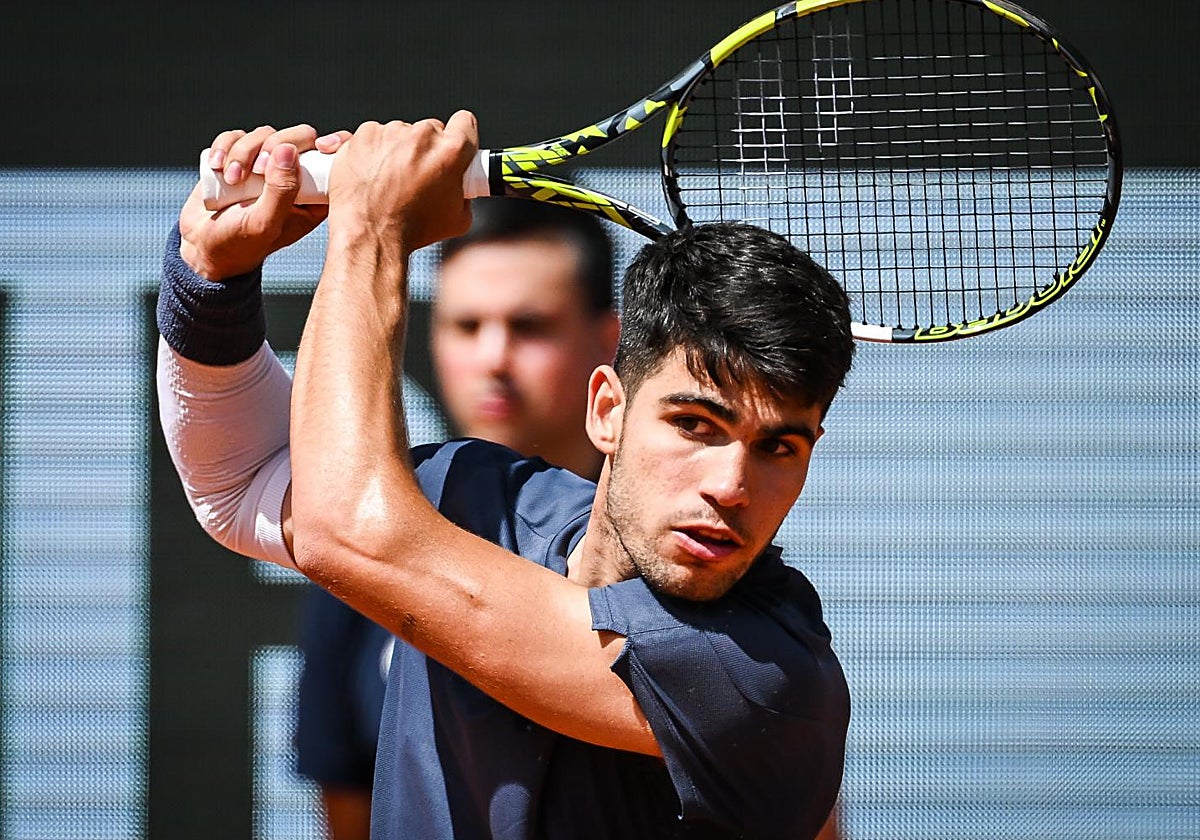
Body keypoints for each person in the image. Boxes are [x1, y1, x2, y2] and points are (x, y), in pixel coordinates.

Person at [156, 117, 855, 838]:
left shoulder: (771, 679)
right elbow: (246, 481)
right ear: (608, 409)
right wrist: (211, 282)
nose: (731, 485)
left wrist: (371, 229)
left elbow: (343, 527)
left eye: (778, 447)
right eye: (694, 425)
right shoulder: (472, 497)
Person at [294, 198, 620, 839]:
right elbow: (351, 808)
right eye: (467, 326)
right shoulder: (364, 552)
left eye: (529, 326)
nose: (493, 358)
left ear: (607, 341)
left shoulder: (684, 552)